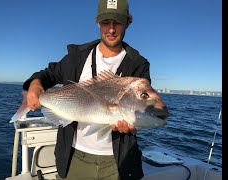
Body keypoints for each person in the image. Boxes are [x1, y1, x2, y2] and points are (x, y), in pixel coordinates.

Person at [23, 0, 151, 179]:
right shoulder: (78, 57)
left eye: (118, 22)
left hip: (117, 162)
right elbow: (47, 74)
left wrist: (134, 124)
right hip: (74, 157)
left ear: (128, 22)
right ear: (98, 22)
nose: (111, 29)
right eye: (106, 22)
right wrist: (35, 86)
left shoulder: (138, 65)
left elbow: (142, 108)